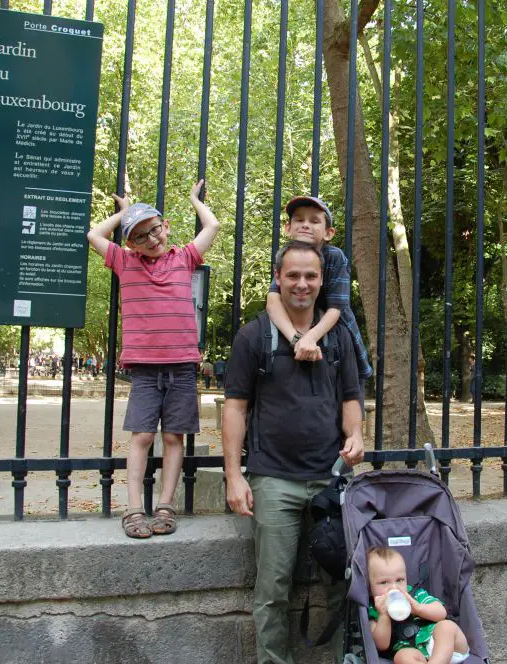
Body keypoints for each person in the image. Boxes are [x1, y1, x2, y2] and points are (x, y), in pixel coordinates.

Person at [223, 241, 365, 664]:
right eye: (293, 276)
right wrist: (234, 475)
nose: (302, 284)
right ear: (278, 278)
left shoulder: (337, 336)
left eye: (310, 276)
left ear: (322, 281)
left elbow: (351, 397)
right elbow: (235, 408)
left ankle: (348, 658)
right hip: (274, 479)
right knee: (273, 588)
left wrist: (356, 435)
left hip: (331, 476)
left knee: (345, 579)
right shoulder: (253, 337)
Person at [87, 179, 221, 539]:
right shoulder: (124, 262)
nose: (152, 239)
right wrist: (122, 213)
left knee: (174, 438)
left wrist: (194, 199)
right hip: (145, 369)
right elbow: (94, 235)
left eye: (155, 229)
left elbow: (213, 226)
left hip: (181, 366)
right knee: (142, 436)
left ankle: (165, 505)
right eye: (141, 235)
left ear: (166, 227)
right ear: (130, 242)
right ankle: (134, 508)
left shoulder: (184, 257)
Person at [265, 196, 371, 403]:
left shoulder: (334, 256)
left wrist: (310, 337)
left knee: (347, 403)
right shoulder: (287, 256)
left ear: (328, 233)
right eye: (299, 220)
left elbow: (337, 307)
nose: (305, 225)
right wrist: (297, 339)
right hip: (299, 335)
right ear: (288, 228)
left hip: (335, 336)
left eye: (314, 221)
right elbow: (273, 300)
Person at [367, 546, 470, 664]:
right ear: (370, 587)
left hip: (442, 645)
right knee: (401, 657)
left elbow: (441, 613)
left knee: (446, 626)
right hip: (413, 651)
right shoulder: (373, 609)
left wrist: (418, 609)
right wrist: (383, 616)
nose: (394, 587)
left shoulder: (415, 595)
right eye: (384, 582)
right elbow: (382, 645)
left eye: (399, 580)